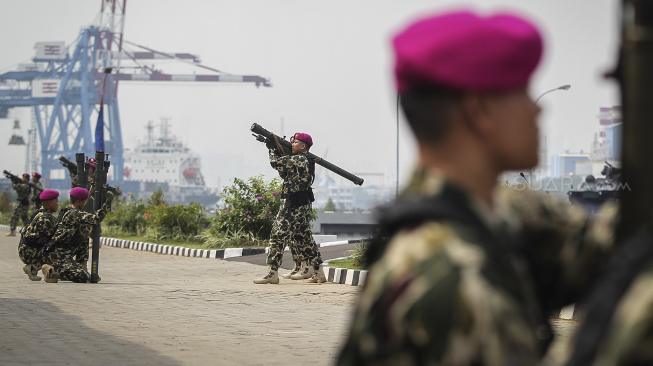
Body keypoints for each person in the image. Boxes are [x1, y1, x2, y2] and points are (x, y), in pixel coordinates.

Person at [337, 10, 617, 365]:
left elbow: (604, 244)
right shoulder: (455, 281)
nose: (536, 111)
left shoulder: (472, 213)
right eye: (522, 92)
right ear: (480, 110)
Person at [254, 132, 326, 284]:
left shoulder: (299, 158)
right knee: (304, 239)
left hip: (293, 205)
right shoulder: (302, 159)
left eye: (295, 142)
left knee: (277, 236)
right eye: (291, 141)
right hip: (299, 204)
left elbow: (276, 163)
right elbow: (284, 173)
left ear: (303, 146)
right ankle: (319, 272)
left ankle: (272, 273)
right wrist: (276, 148)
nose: (292, 143)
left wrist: (272, 149)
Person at [41, 186, 112, 283]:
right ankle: (52, 271)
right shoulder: (74, 214)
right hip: (57, 257)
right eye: (84, 201)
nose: (85, 203)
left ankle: (82, 267)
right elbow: (96, 219)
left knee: (84, 234)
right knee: (82, 277)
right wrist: (107, 203)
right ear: (79, 201)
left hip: (64, 254)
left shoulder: (69, 211)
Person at [18, 189, 59, 281]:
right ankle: (49, 274)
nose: (58, 204)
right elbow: (52, 238)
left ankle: (32, 268)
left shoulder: (39, 212)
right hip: (30, 251)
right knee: (60, 251)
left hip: (26, 249)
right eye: (56, 201)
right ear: (49, 203)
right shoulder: (46, 218)